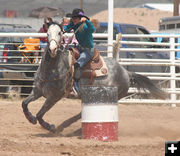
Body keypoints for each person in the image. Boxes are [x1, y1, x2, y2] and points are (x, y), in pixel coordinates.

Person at [63, 8, 95, 95]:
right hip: (79, 47)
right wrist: (62, 29)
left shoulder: (86, 26)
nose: (73, 20)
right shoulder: (75, 24)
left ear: (80, 18)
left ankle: (76, 89)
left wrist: (87, 21)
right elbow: (66, 28)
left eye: (75, 18)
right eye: (73, 18)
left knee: (78, 65)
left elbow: (92, 29)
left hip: (88, 50)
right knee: (64, 54)